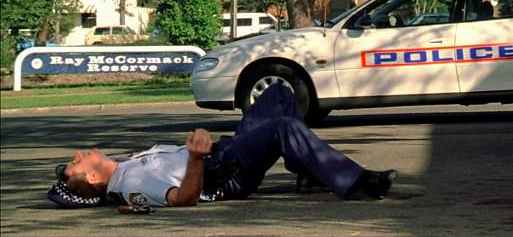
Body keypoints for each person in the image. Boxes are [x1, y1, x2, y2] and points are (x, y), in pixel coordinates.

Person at [48, 83, 397, 209]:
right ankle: (355, 183)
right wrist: (198, 159)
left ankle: (308, 175)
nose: (77, 156)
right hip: (225, 175)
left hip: (223, 153)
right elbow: (181, 199)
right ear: (93, 180)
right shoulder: (130, 185)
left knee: (277, 94)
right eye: (74, 165)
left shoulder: (124, 167)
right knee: (285, 127)